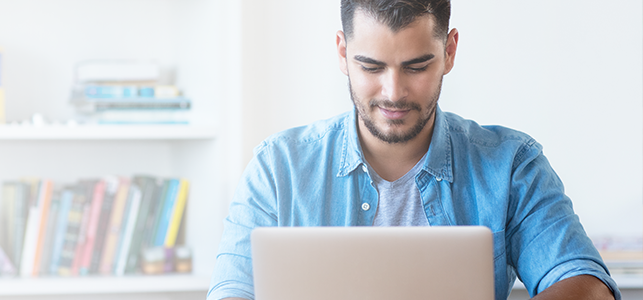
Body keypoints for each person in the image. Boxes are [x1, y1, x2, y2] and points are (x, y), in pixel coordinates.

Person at [206, 1, 621, 300]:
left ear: (450, 52)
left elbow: (586, 283)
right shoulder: (277, 168)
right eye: (371, 67)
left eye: (417, 66)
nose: (393, 92)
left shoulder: (512, 164)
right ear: (342, 52)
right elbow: (231, 290)